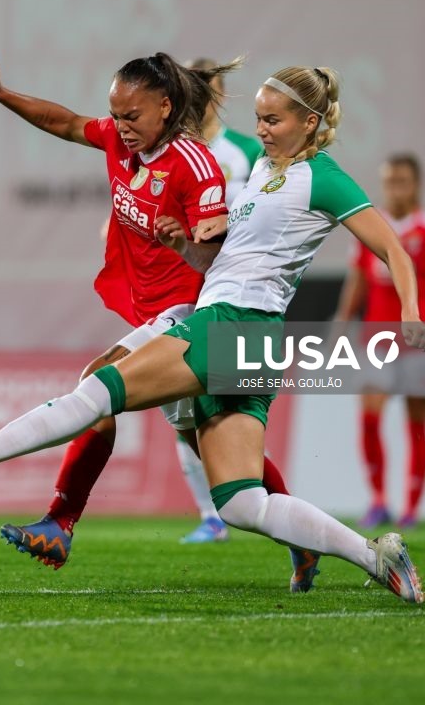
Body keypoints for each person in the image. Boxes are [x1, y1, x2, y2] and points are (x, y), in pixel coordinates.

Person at [0, 64, 425, 604]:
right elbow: (225, 259)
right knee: (242, 503)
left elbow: (392, 247)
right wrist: (184, 246)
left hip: (235, 322)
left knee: (100, 387)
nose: (261, 129)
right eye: (258, 118)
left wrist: (410, 312)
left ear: (310, 122)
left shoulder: (323, 177)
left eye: (273, 120)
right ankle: (376, 556)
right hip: (250, 336)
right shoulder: (263, 171)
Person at [0, 50, 316, 588]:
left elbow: (221, 253)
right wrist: (0, 92)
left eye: (131, 115)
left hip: (199, 312)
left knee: (98, 384)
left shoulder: (209, 161)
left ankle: (58, 520)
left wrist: (186, 244)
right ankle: (302, 539)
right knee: (205, 439)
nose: (120, 126)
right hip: (161, 308)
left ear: (166, 106)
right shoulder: (129, 144)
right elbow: (63, 122)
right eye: (117, 115)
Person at [176, 57, 262, 544]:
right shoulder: (172, 150)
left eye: (204, 88)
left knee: (228, 409)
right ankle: (211, 515)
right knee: (179, 408)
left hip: (232, 292)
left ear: (220, 95)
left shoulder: (247, 152)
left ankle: (272, 511)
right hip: (180, 288)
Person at [335, 153, 425, 528]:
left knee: (416, 424)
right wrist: (341, 322)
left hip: (420, 343)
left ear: (416, 185)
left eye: (401, 182)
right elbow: (357, 280)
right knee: (369, 417)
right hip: (377, 340)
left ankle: (411, 509)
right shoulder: (371, 228)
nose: (394, 189)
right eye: (389, 182)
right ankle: (379, 500)